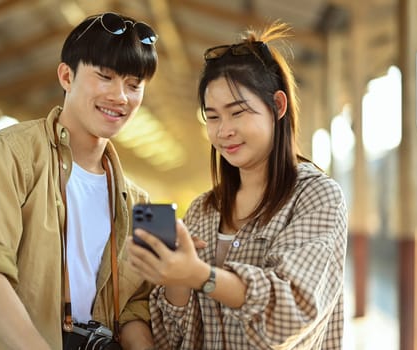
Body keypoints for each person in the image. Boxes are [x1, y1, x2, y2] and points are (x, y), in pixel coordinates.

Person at [128, 21, 348, 349]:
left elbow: (290, 314)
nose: (224, 130)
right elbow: (171, 338)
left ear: (278, 106)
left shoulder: (317, 197)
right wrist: (175, 279)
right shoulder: (204, 209)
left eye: (237, 112)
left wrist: (200, 275)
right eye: (213, 116)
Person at [0, 12, 159, 350]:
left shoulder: (143, 203)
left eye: (134, 85)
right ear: (66, 75)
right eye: (105, 76)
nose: (121, 97)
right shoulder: (7, 153)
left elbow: (139, 304)